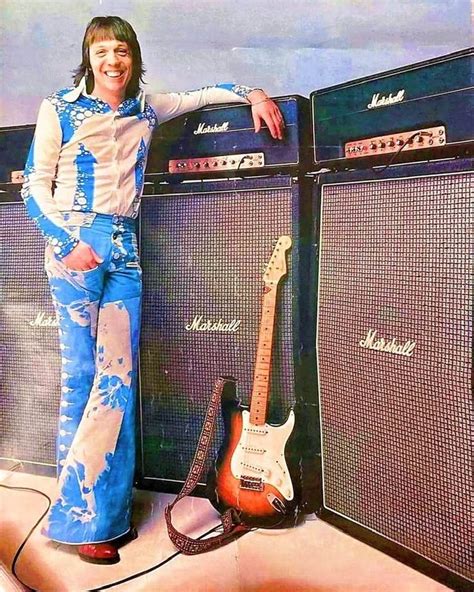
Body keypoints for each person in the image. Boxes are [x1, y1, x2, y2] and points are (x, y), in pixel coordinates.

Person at [21, 15, 284, 565]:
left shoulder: (147, 106)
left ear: (133, 57)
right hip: (75, 242)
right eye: (101, 52)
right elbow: (33, 186)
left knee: (117, 382)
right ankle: (76, 519)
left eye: (121, 51)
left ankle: (104, 516)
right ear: (87, 59)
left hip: (124, 247)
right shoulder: (60, 107)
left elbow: (203, 94)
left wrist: (253, 94)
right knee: (81, 377)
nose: (111, 61)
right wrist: (66, 241)